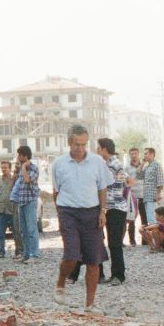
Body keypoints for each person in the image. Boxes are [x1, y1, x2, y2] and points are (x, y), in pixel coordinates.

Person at [52, 125, 113, 313]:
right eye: (76, 144)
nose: (80, 148)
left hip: (92, 212)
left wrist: (102, 211)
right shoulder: (59, 164)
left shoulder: (97, 162)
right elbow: (56, 191)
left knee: (94, 260)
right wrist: (61, 213)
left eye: (83, 144)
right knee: (71, 255)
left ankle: (90, 304)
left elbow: (103, 187)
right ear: (69, 142)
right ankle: (61, 283)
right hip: (68, 211)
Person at [97, 138, 133, 285]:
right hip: (108, 207)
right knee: (107, 242)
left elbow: (129, 181)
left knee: (114, 243)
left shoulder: (114, 164)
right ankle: (113, 274)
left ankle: (118, 275)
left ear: (105, 149)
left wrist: (118, 192)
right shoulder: (107, 164)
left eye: (99, 148)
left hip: (115, 208)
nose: (97, 151)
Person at [11, 145, 41, 262]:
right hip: (21, 201)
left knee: (32, 229)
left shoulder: (33, 168)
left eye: (19, 155)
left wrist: (23, 167)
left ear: (25, 156)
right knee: (23, 230)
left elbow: (27, 179)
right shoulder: (20, 169)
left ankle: (34, 255)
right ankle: (26, 254)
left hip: (30, 201)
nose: (18, 157)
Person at [136, 147, 164, 238]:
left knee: (152, 218)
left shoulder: (156, 165)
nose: (144, 155)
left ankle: (157, 240)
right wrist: (143, 162)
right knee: (149, 217)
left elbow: (160, 180)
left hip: (152, 195)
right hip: (146, 195)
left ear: (152, 154)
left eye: (146, 153)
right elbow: (138, 174)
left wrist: (158, 193)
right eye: (144, 154)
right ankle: (155, 239)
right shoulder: (148, 166)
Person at [0, 161, 17, 258]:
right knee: (0, 233)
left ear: (10, 168)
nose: (3, 169)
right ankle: (1, 251)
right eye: (2, 167)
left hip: (12, 210)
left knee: (16, 232)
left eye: (5, 167)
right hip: (0, 210)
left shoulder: (15, 180)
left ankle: (19, 251)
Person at [123, 148, 142, 246]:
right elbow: (125, 180)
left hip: (142, 195)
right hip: (132, 195)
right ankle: (132, 240)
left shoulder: (143, 166)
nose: (134, 155)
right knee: (131, 218)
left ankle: (145, 241)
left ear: (138, 153)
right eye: (132, 154)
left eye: (135, 153)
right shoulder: (126, 167)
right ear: (130, 155)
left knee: (144, 218)